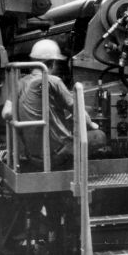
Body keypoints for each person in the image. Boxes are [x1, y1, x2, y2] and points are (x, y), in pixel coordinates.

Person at [16, 38, 107, 168]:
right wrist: (93, 124)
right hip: (54, 156)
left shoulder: (21, 82)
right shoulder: (53, 81)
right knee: (99, 136)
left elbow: (7, 113)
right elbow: (79, 111)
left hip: (33, 156)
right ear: (53, 63)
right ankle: (73, 167)